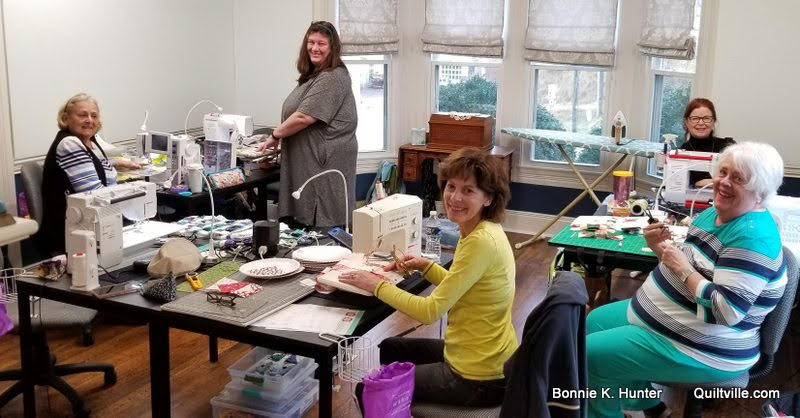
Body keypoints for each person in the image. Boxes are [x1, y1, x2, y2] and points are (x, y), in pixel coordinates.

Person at [586, 142, 787, 418]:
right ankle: (647, 405)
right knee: (593, 322)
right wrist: (660, 249)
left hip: (710, 349)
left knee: (591, 355)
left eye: (738, 178)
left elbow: (726, 311)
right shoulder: (715, 213)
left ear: (760, 192)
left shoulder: (752, 239)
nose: (724, 182)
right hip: (675, 320)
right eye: (723, 172)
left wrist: (682, 268)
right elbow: (691, 266)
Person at [340, 147, 517, 407]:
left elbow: (429, 311)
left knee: (366, 390)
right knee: (391, 348)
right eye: (451, 186)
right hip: (485, 355)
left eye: (468, 190)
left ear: (488, 198)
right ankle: (400, 408)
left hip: (478, 377)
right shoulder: (482, 230)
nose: (455, 197)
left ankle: (394, 404)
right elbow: (464, 285)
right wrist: (426, 266)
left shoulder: (480, 242)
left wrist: (376, 285)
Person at [259, 21, 357, 228]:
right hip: (310, 158)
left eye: (321, 43)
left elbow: (304, 117)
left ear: (332, 48)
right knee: (306, 222)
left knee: (322, 223)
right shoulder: (315, 75)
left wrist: (275, 136)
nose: (314, 48)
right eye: (311, 42)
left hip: (323, 161)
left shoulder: (332, 77)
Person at [39, 93, 137, 256]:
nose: (89, 120)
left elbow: (96, 169)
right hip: (73, 234)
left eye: (94, 116)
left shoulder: (90, 142)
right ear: (65, 118)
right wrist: (130, 201)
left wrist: (116, 163)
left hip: (92, 225)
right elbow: (96, 194)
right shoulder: (70, 144)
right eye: (82, 115)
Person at [679, 98, 736, 187]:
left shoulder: (728, 147)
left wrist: (702, 183)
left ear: (713, 121)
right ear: (686, 122)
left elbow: (739, 179)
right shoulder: (680, 154)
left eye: (706, 118)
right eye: (695, 118)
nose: (701, 123)